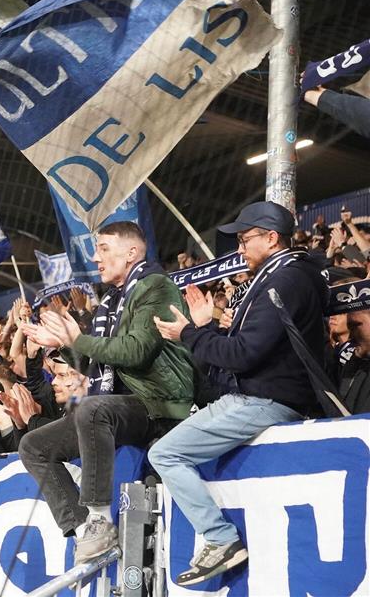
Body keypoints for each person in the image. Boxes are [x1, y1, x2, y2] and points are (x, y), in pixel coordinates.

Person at [150, 201, 328, 586]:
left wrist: (190, 334)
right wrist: (207, 330)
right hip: (261, 395)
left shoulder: (284, 280)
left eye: (245, 240)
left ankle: (220, 539)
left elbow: (243, 355)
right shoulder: (282, 276)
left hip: (266, 400)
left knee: (164, 453)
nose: (239, 249)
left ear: (272, 238)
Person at [19, 221, 194, 564]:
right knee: (34, 446)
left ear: (131, 253)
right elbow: (101, 359)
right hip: (122, 404)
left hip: (159, 403)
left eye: (103, 249)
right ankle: (84, 528)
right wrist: (65, 344)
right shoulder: (112, 299)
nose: (95, 258)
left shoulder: (156, 286)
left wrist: (78, 339)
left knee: (92, 408)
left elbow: (135, 351)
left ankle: (100, 519)